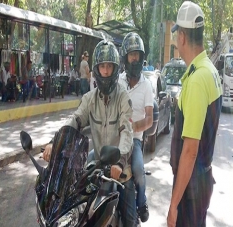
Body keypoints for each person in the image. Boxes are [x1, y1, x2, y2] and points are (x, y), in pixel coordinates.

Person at [42, 40, 139, 226]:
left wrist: (119, 162)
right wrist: (54, 142)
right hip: (97, 163)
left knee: (129, 218)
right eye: (102, 66)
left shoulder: (123, 97)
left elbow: (126, 131)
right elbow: (75, 121)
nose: (105, 71)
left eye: (109, 67)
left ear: (115, 69)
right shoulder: (89, 99)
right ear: (95, 69)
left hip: (120, 164)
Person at [167, 1, 222, 227]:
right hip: (199, 184)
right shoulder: (209, 69)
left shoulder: (199, 78)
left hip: (190, 191)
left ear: (181, 36)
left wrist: (173, 205)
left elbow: (190, 151)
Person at [119, 32, 152, 223]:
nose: (134, 58)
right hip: (116, 138)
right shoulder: (118, 81)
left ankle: (141, 202)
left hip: (135, 140)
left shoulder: (147, 85)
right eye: (131, 55)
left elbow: (149, 118)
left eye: (137, 55)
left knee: (138, 170)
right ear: (125, 57)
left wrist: (133, 127)